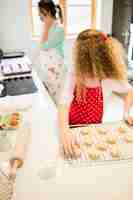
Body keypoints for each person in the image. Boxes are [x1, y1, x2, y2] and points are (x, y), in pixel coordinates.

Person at [58, 29, 133, 158]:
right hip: (73, 127)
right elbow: (63, 103)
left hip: (95, 129)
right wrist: (65, 130)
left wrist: (126, 113)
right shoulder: (75, 73)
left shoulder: (108, 78)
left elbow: (130, 90)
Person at [34, 0, 65, 105]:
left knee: (57, 100)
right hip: (47, 69)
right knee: (49, 99)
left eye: (39, 11)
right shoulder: (46, 27)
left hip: (56, 70)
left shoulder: (59, 29)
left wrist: (46, 27)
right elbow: (40, 47)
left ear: (46, 11)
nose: (38, 14)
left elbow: (43, 46)